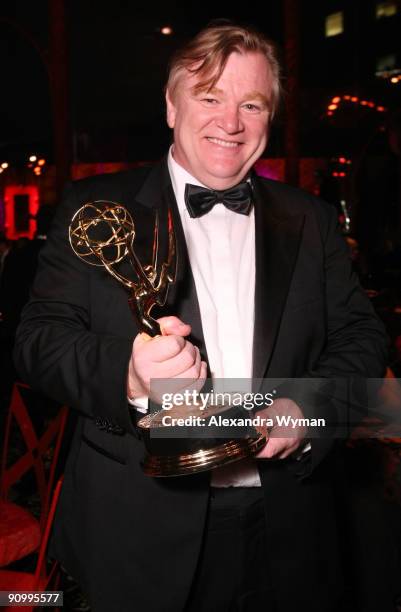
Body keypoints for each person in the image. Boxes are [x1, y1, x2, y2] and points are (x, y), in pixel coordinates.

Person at [14, 22, 388, 612]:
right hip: (138, 529)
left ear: (271, 117)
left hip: (292, 522)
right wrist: (129, 376)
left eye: (252, 103)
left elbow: (362, 336)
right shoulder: (96, 210)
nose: (230, 122)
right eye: (209, 97)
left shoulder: (310, 221)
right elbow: (38, 341)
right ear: (171, 105)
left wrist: (307, 406)